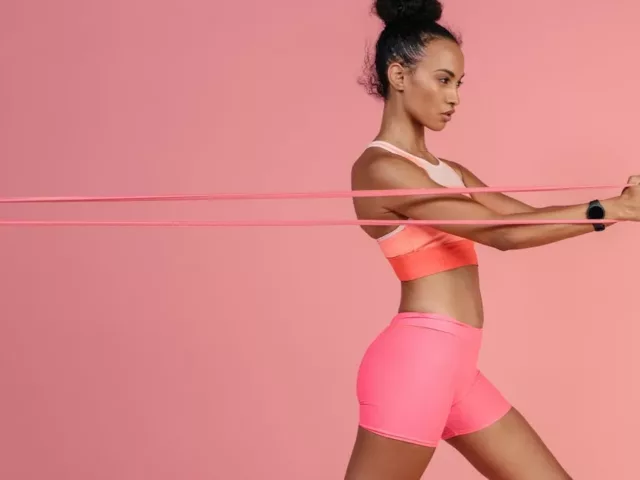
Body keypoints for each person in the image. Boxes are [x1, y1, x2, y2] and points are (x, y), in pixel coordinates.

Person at [345, 1, 640, 479]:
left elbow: (525, 221)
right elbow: (500, 235)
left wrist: (617, 204)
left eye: (458, 83)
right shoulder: (382, 170)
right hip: (415, 366)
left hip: (457, 371)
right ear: (399, 76)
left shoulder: (448, 172)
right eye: (442, 80)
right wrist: (614, 210)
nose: (454, 97)